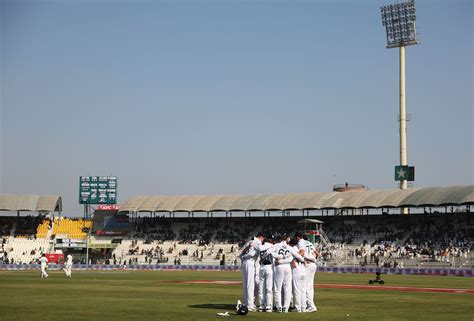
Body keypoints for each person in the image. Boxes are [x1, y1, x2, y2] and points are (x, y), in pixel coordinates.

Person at [239, 232, 264, 312]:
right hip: (250, 262)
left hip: (245, 262)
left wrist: (243, 257)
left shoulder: (249, 241)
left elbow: (241, 254)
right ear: (261, 237)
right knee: (250, 285)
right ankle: (250, 305)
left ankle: (246, 303)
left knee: (246, 284)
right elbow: (254, 253)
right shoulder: (258, 241)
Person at [256, 238, 274, 312]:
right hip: (269, 267)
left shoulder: (261, 247)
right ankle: (268, 306)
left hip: (262, 267)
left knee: (261, 288)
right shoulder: (271, 246)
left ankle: (261, 305)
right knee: (269, 288)